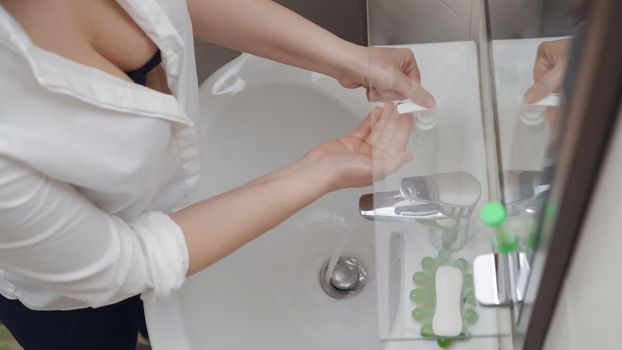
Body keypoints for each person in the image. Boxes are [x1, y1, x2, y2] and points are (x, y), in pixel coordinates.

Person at [0, 1, 430, 348]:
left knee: (167, 311)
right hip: (68, 291)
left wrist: (349, 60)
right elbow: (125, 264)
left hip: (157, 209)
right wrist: (321, 171)